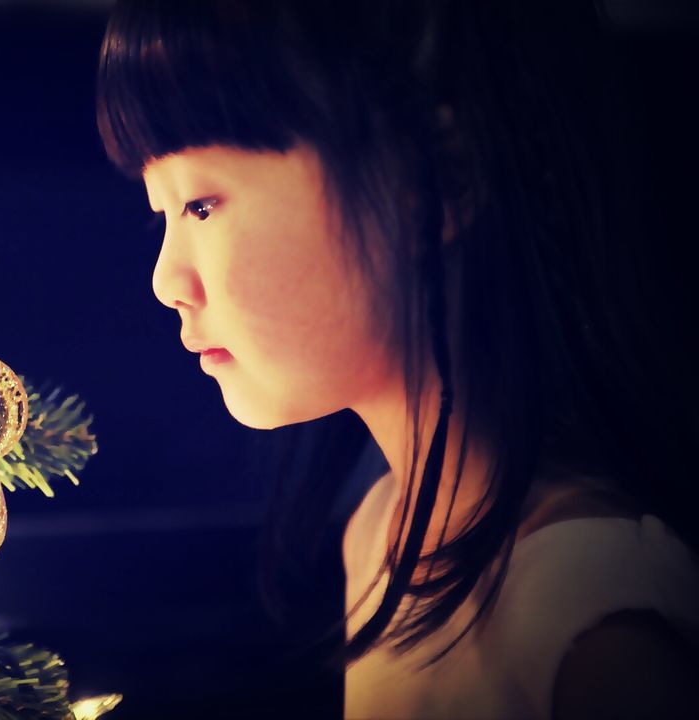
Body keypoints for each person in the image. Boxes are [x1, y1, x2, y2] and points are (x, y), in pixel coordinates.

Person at [95, 1, 699, 717]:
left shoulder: (591, 621)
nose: (166, 281)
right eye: (159, 211)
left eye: (201, 204)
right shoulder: (380, 531)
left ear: (432, 182)